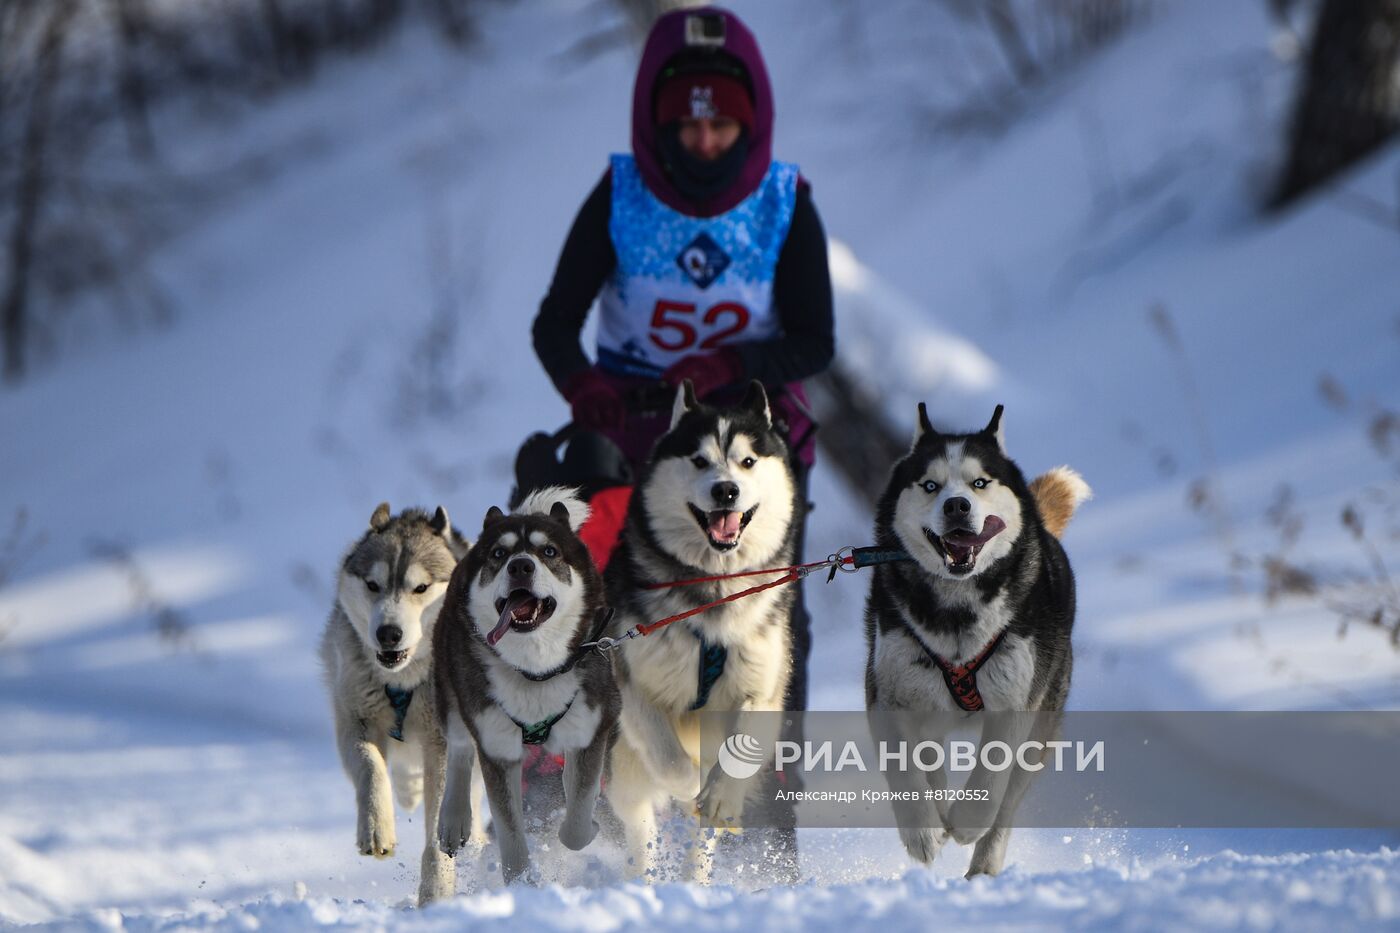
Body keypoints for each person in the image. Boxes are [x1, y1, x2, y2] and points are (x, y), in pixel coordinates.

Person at [531, 5, 834, 722]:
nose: (702, 141)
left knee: (770, 615)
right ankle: (574, 777)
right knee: (587, 596)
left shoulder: (784, 204)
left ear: (750, 124)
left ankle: (767, 794)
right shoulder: (620, 198)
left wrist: (731, 361)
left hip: (751, 439)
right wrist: (583, 385)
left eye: (720, 125)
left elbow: (815, 339)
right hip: (631, 431)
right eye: (686, 125)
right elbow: (554, 324)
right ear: (657, 122)